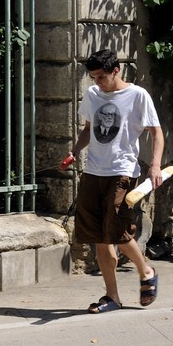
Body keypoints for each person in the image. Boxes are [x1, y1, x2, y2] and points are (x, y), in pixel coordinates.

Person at [68, 47, 166, 312]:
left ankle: (146, 271)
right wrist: (76, 151)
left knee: (118, 232)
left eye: (101, 77)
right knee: (100, 236)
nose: (97, 82)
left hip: (122, 172)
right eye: (93, 77)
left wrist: (155, 166)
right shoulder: (92, 95)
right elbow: (88, 129)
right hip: (93, 172)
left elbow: (156, 133)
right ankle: (112, 297)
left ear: (116, 71)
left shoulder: (137, 95)